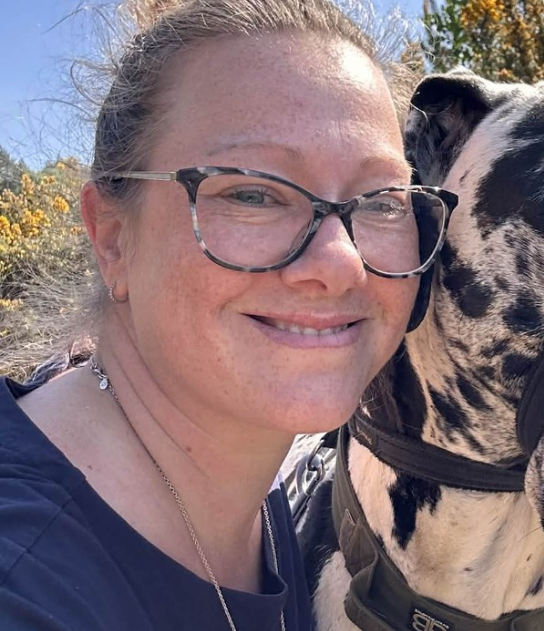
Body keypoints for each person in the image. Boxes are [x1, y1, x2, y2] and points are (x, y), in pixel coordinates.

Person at [0, 0, 456, 629]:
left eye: (382, 201)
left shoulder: (248, 488)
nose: (341, 262)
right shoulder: (27, 583)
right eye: (252, 192)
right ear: (112, 238)